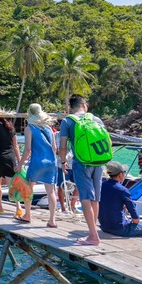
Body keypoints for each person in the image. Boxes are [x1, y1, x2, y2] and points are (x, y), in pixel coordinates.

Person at [59, 94, 104, 246]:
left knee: (85, 197)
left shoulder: (67, 121)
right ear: (84, 105)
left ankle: (93, 236)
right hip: (99, 161)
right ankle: (92, 232)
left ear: (71, 108)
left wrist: (63, 161)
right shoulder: (95, 119)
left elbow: (63, 146)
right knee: (95, 198)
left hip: (81, 162)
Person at [100, 161, 142, 240]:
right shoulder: (122, 190)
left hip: (104, 227)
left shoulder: (101, 186)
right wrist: (135, 220)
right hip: (120, 229)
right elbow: (135, 218)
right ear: (120, 174)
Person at [17, 103, 58, 227]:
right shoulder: (48, 128)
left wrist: (20, 164)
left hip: (37, 162)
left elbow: (28, 149)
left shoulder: (29, 128)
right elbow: (54, 148)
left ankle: (27, 215)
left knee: (29, 187)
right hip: (51, 162)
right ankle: (52, 220)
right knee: (51, 192)